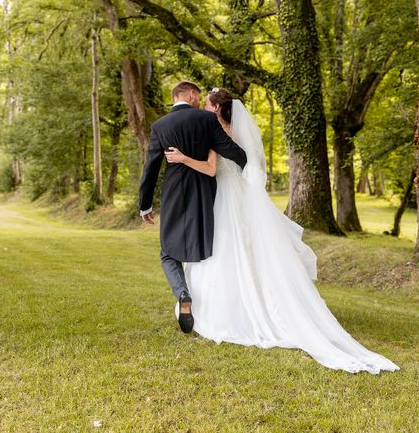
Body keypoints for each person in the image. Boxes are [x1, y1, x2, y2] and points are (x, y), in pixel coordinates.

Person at [164, 87, 399, 374]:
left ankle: (223, 312)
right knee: (243, 250)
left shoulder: (215, 132)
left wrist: (182, 159)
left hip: (223, 198)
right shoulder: (234, 132)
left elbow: (212, 169)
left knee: (225, 249)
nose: (202, 107)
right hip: (238, 196)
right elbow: (245, 162)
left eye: (207, 104)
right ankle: (252, 300)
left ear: (216, 109)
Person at [138, 81, 247, 334]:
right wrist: (248, 166)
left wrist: (145, 205)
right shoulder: (206, 120)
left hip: (175, 192)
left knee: (168, 252)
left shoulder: (160, 126)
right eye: (198, 96)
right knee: (206, 244)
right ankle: (218, 302)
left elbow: (151, 169)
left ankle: (183, 293)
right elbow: (230, 151)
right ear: (190, 94)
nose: (200, 101)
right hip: (206, 192)